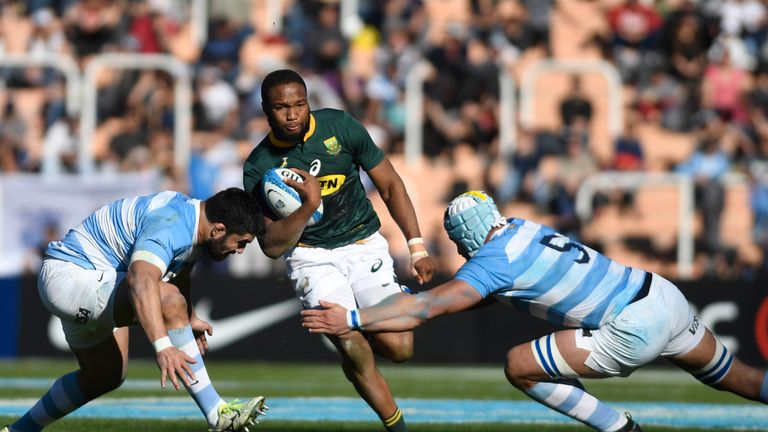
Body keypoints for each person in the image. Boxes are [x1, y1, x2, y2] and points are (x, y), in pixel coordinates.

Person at [302, 190, 768, 432]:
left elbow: (427, 307)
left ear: (465, 236)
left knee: (520, 366)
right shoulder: (524, 228)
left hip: (630, 326)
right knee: (741, 378)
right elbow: (485, 293)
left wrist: (357, 320)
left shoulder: (491, 261)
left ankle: (619, 429)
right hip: (659, 292)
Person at [243, 69, 437, 432]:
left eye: (299, 105)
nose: (292, 115)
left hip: (362, 242)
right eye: (282, 107)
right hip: (309, 256)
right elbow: (271, 246)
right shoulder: (259, 166)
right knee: (350, 342)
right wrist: (308, 205)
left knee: (400, 349)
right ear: (266, 109)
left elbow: (391, 185)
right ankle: (397, 426)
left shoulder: (341, 127)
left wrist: (417, 247)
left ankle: (379, 318)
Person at [2, 188, 267, 432]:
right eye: (241, 242)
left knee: (104, 376)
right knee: (166, 297)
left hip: (90, 278)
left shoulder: (194, 221)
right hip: (71, 277)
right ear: (218, 230)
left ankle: (19, 430)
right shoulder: (173, 225)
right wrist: (163, 345)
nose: (240, 251)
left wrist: (187, 320)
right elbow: (141, 280)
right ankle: (216, 412)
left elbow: (178, 274)